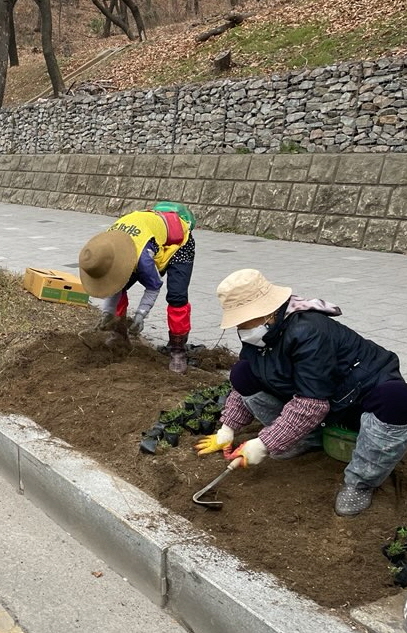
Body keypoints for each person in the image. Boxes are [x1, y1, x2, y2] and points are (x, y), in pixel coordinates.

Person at [195, 268, 407, 517]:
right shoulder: (258, 334)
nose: (241, 327)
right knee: (242, 372)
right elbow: (248, 379)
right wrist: (227, 428)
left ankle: (360, 482)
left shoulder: (309, 331)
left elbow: (311, 405)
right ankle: (307, 439)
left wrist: (264, 443)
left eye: (244, 319)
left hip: (357, 398)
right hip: (321, 397)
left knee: (397, 399)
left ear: (268, 312)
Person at [77, 201, 196, 372]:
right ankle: (118, 335)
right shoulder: (106, 244)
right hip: (148, 239)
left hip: (178, 244)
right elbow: (115, 285)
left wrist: (140, 315)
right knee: (119, 282)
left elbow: (154, 286)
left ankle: (177, 351)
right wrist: (107, 314)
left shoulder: (142, 258)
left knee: (177, 297)